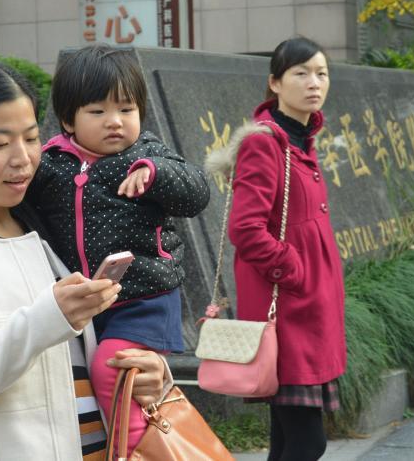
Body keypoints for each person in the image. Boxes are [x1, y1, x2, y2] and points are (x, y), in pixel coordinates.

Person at [0, 59, 171, 461]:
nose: (22, 158)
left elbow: (83, 359)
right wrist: (46, 319)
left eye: (32, 138)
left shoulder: (44, 227)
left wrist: (151, 372)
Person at [26, 45, 210, 455]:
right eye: (97, 111)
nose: (115, 121)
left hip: (143, 299)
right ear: (68, 119)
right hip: (84, 302)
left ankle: (135, 451)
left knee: (112, 369)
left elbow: (197, 191)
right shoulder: (50, 163)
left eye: (126, 109)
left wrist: (155, 174)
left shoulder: (146, 155)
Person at [212, 37, 346, 461]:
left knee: (287, 442)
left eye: (321, 73)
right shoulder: (265, 143)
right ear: (275, 83)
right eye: (301, 73)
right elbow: (246, 229)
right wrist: (293, 270)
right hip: (288, 312)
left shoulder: (302, 140)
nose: (314, 83)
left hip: (309, 310)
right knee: (308, 442)